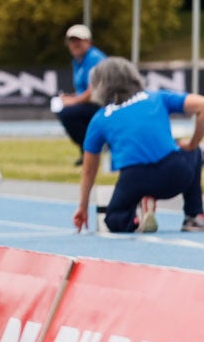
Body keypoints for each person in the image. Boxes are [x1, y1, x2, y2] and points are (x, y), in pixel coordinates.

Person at [72, 57, 204, 233]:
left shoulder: (100, 119)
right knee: (193, 152)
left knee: (114, 219)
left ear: (99, 86)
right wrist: (192, 143)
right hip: (175, 174)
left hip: (135, 179)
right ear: (133, 77)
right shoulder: (156, 97)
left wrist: (83, 206)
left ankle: (133, 219)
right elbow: (202, 106)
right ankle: (194, 215)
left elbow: (89, 170)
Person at [57, 24, 107, 165]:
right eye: (72, 41)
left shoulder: (94, 58)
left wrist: (73, 101)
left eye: (78, 40)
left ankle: (92, 149)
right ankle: (88, 151)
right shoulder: (77, 61)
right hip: (92, 103)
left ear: (88, 41)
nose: (75, 44)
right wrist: (72, 97)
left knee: (67, 113)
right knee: (68, 112)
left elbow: (95, 91)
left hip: (103, 104)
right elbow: (84, 90)